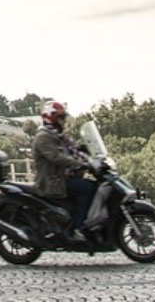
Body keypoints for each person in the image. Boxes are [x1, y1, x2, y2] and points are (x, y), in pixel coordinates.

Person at [32, 99, 96, 240]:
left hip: (63, 178)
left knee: (93, 185)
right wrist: (81, 165)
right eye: (61, 118)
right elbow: (56, 157)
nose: (63, 122)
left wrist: (84, 150)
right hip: (53, 182)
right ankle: (77, 228)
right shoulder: (43, 137)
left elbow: (68, 150)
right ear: (52, 118)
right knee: (88, 189)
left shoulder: (57, 135)